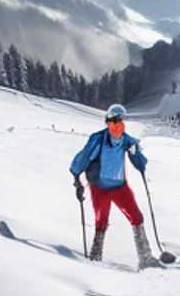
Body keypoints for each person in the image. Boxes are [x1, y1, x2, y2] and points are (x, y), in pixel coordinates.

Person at [69, 104, 161, 268]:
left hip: (120, 187)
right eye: (113, 121)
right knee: (101, 221)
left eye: (119, 121)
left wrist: (135, 154)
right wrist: (76, 177)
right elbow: (84, 157)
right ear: (108, 123)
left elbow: (140, 162)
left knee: (136, 216)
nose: (117, 124)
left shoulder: (126, 140)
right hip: (100, 187)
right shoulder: (98, 139)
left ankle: (145, 258)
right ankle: (95, 258)